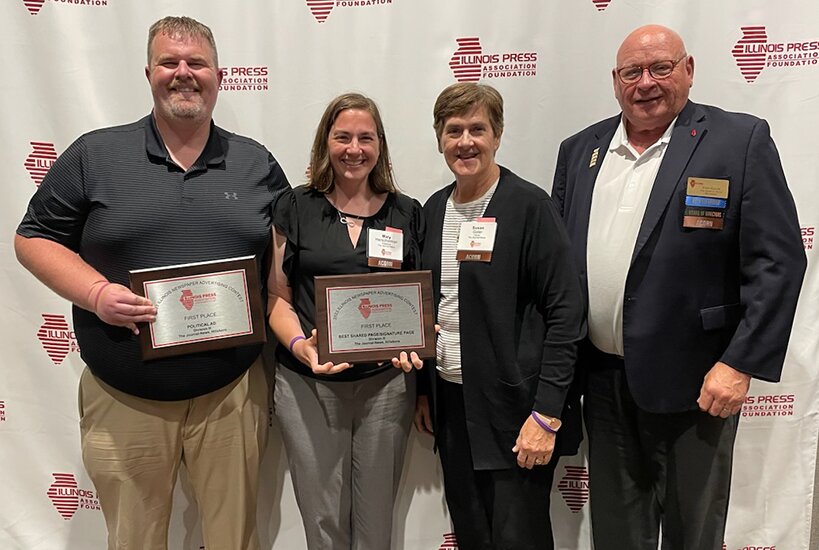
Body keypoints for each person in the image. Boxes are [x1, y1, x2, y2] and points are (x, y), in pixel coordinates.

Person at [15, 16, 289, 550]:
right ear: (148, 72)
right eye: (170, 62)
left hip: (231, 397)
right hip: (125, 400)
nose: (183, 74)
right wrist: (96, 294)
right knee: (134, 541)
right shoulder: (94, 156)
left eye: (197, 64)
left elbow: (281, 265)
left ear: (218, 75)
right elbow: (33, 238)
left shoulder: (257, 162)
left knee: (236, 541)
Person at [551, 24, 807, 550]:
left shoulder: (738, 141)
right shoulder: (581, 151)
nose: (646, 82)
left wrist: (739, 364)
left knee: (694, 533)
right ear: (615, 81)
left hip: (698, 384)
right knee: (617, 535)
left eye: (660, 68)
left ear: (687, 71)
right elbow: (560, 266)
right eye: (632, 72)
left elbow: (778, 262)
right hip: (603, 382)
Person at [411, 82, 585, 550]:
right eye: (453, 130)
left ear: (498, 134)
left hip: (516, 411)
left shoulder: (530, 207)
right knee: (472, 533)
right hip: (451, 406)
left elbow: (567, 314)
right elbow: (432, 304)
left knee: (518, 538)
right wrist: (425, 392)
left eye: (477, 129)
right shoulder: (431, 210)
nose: (465, 141)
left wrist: (546, 414)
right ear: (439, 137)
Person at [267, 92, 424, 550]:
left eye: (365, 138)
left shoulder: (406, 212)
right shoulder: (293, 207)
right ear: (325, 143)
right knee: (322, 521)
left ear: (380, 146)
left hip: (385, 386)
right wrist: (301, 347)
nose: (354, 149)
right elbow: (276, 296)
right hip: (305, 385)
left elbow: (417, 301)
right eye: (343, 137)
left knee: (377, 523)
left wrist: (416, 340)